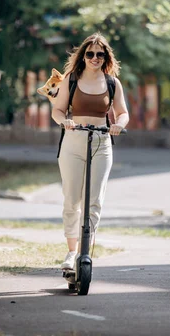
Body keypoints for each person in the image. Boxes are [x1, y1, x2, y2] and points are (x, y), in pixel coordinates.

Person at [51, 33, 129, 270]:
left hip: (101, 142)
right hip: (74, 141)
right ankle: (71, 251)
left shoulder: (112, 83)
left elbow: (123, 112)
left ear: (105, 57)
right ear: (83, 55)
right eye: (90, 53)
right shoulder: (71, 79)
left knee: (94, 202)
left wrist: (118, 125)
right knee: (72, 199)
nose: (95, 58)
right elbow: (58, 110)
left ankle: (85, 251)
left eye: (100, 54)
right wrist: (64, 122)